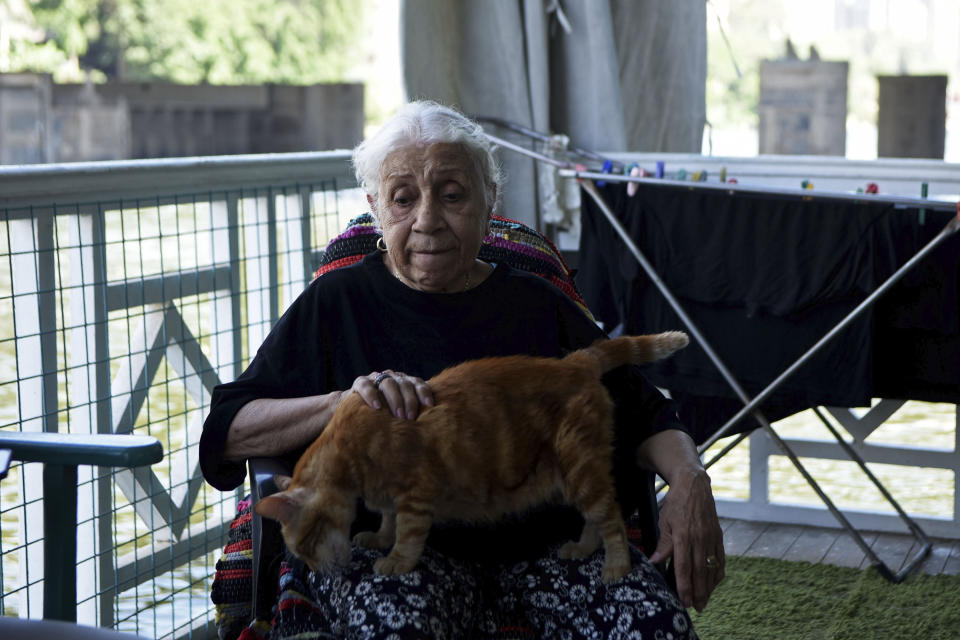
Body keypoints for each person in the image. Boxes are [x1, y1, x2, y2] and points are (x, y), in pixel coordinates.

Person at [200, 100, 724, 639]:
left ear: (489, 201)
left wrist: (689, 478)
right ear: (376, 207)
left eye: (452, 195)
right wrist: (341, 403)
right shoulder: (338, 302)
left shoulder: (537, 304)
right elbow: (230, 427)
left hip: (552, 549)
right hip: (402, 554)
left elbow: (649, 414)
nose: (427, 219)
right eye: (403, 199)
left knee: (655, 629)